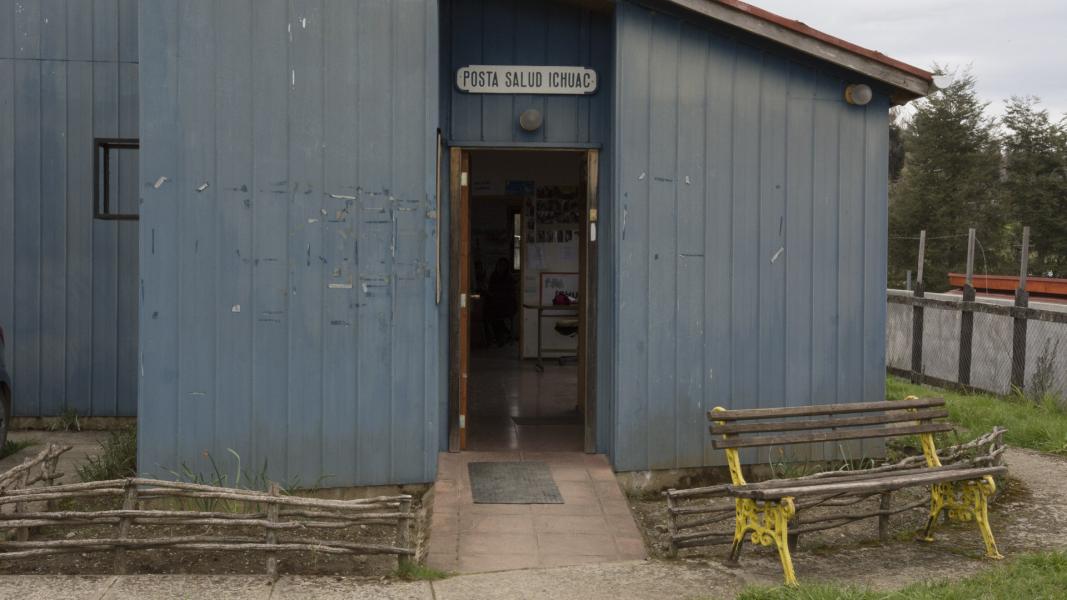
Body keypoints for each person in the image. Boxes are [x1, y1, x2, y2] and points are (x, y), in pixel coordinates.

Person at [486, 257, 516, 346]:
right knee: (488, 314)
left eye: (503, 265)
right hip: (496, 303)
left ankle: (502, 336)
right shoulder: (494, 276)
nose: (501, 267)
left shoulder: (509, 278)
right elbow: (491, 289)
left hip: (507, 304)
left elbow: (510, 293)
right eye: (499, 265)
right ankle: (501, 336)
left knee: (496, 314)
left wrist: (498, 295)